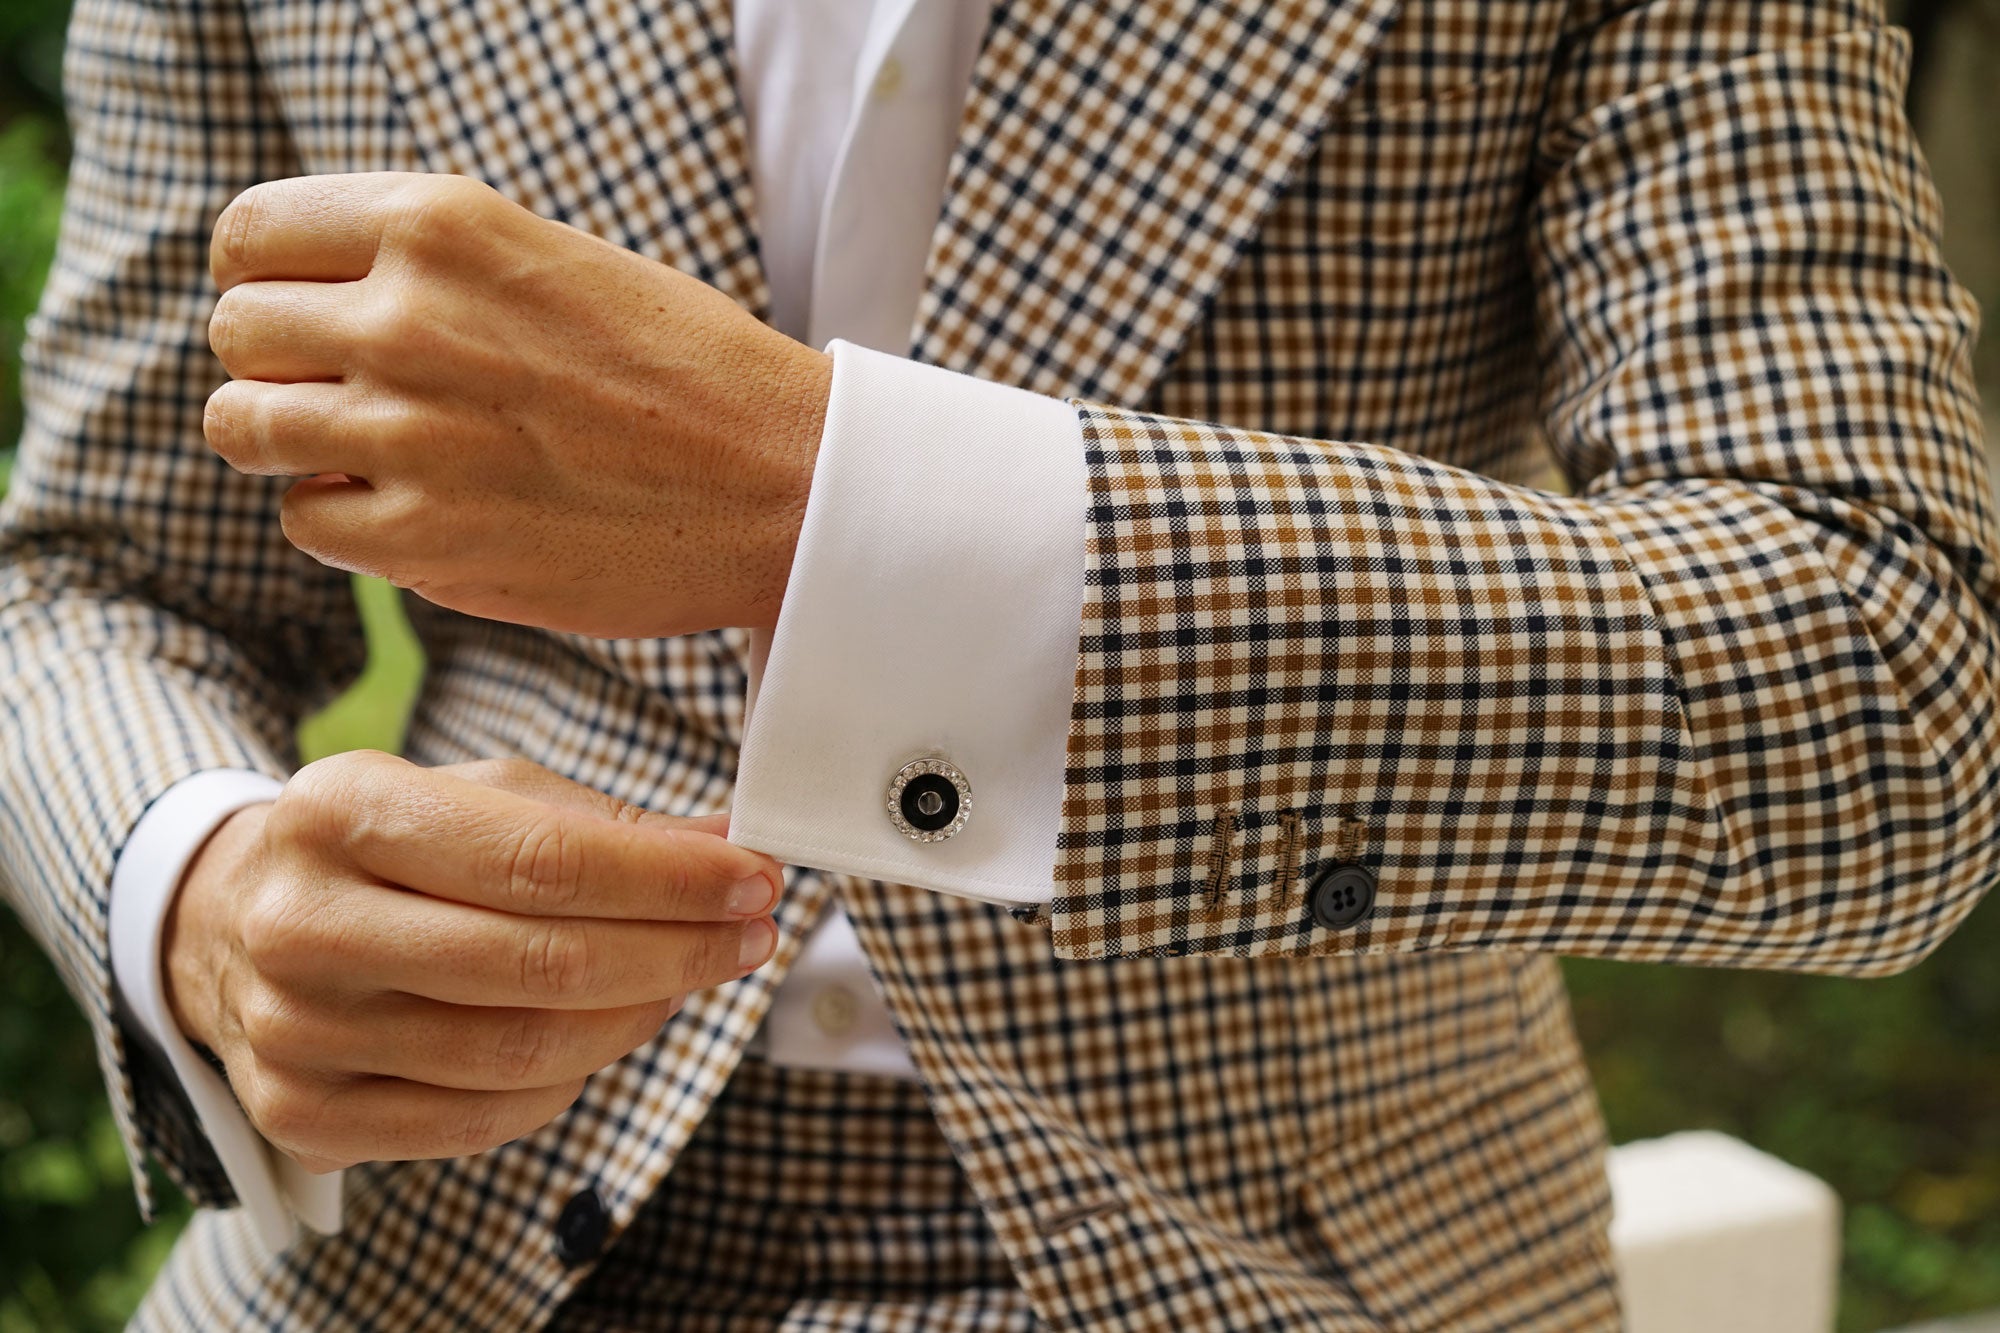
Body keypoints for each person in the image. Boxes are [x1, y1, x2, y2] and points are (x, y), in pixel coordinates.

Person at [2, 0, 1993, 1327]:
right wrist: (190, 880)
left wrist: (828, 500)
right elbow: (83, 577)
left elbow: (1881, 686)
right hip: (422, 1240)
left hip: (1300, 1244)